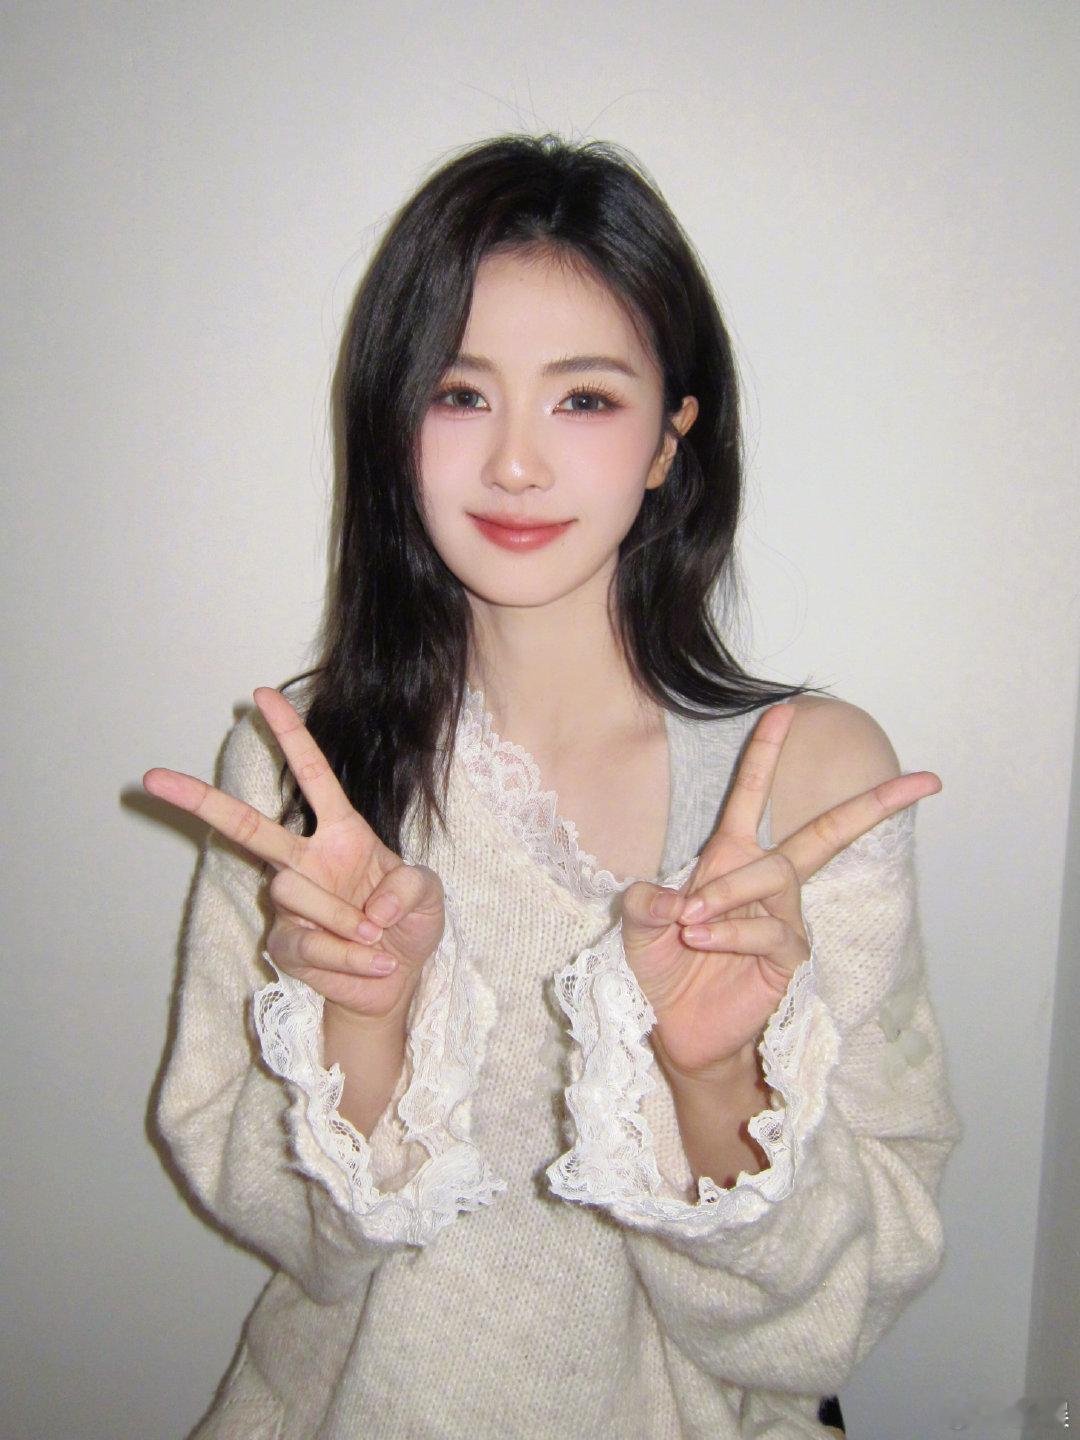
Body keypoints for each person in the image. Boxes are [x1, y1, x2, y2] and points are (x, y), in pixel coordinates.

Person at [144, 133, 960, 1438]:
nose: (515, 464)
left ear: (670, 440)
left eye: (584, 399)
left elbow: (829, 1323)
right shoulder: (308, 770)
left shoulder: (807, 784)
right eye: (458, 395)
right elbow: (288, 1232)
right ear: (392, 425)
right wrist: (359, 1022)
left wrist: (711, 1081)